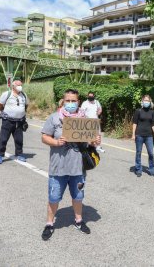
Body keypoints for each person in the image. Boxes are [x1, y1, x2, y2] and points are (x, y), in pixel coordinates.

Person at [40, 89, 101, 241]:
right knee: (54, 198)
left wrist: (96, 141)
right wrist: (56, 142)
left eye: (74, 101)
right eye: (68, 100)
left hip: (78, 169)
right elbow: (44, 137)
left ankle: (79, 221)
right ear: (63, 101)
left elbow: (92, 141)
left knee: (78, 196)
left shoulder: (85, 120)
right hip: (58, 167)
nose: (71, 103)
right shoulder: (54, 118)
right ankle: (49, 223)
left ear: (78, 102)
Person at [0, 80, 29, 164]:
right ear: (13, 86)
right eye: (18, 85)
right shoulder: (7, 94)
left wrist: (21, 112)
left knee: (19, 139)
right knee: (3, 139)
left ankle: (19, 154)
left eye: (21, 85)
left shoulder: (24, 95)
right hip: (8, 121)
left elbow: (26, 105)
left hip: (19, 121)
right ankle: (0, 155)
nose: (20, 86)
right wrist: (5, 112)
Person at [132, 95, 154, 177]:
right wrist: (133, 134)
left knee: (151, 153)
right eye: (145, 100)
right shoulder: (138, 111)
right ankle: (138, 169)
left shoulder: (152, 112)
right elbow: (134, 123)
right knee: (138, 152)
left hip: (149, 136)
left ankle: (151, 169)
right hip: (139, 134)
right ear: (142, 101)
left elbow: (153, 124)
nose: (146, 102)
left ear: (150, 102)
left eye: (148, 100)